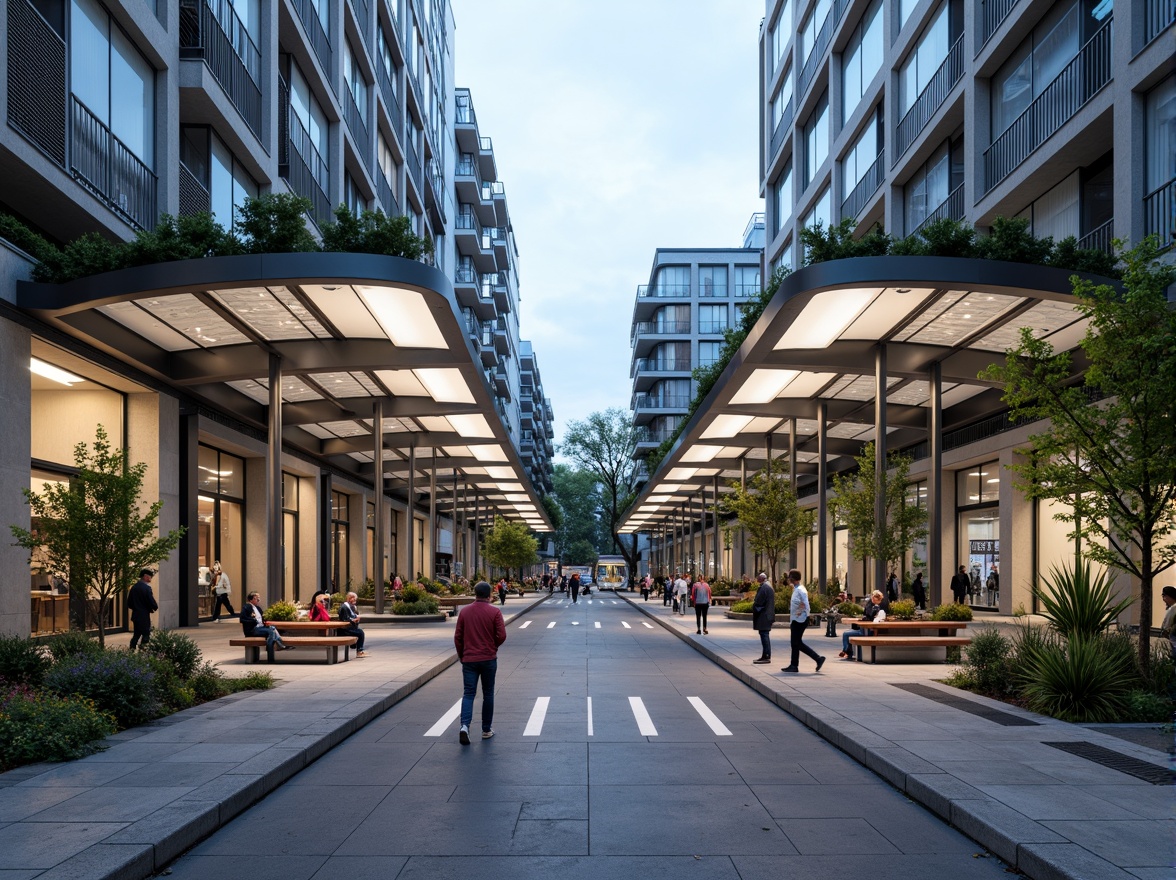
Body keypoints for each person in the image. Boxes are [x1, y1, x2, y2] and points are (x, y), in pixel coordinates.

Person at [454, 580, 507, 744]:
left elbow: (458, 637)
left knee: (469, 693)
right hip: (488, 658)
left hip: (469, 659)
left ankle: (464, 726)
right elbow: (502, 635)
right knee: (488, 693)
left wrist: (462, 654)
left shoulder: (464, 612)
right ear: (490, 595)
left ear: (475, 593)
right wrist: (493, 646)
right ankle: (486, 729)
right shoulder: (495, 612)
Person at [782, 568, 825, 674]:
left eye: (790, 577)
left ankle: (812, 660)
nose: (789, 580)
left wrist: (803, 615)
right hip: (796, 619)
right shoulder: (797, 589)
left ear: (793, 578)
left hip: (800, 620)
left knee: (796, 643)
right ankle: (796, 664)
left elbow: (806, 605)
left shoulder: (801, 590)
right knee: (796, 643)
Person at [840, 590, 887, 660]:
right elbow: (867, 613)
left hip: (868, 631)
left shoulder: (876, 606)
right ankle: (847, 652)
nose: (872, 599)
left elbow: (869, 615)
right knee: (848, 633)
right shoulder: (874, 604)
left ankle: (846, 651)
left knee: (846, 634)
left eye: (873, 598)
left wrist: (874, 609)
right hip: (871, 630)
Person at [127, 568, 158, 650]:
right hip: (144, 616)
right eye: (149, 577)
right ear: (145, 576)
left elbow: (129, 603)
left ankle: (132, 650)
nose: (150, 578)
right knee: (146, 634)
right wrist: (154, 607)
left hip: (136, 615)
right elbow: (151, 601)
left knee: (136, 634)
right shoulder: (146, 588)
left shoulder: (134, 588)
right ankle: (143, 650)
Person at [751, 573, 775, 664]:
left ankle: (766, 656)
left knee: (764, 634)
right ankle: (765, 655)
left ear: (762, 578)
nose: (757, 579)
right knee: (764, 634)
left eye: (758, 577)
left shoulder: (765, 588)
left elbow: (759, 601)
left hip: (764, 615)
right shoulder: (767, 586)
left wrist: (755, 607)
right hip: (766, 614)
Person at [337, 591, 367, 657]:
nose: (354, 600)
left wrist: (356, 619)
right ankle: (359, 651)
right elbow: (345, 619)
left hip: (350, 627)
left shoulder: (353, 607)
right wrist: (353, 620)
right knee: (360, 633)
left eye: (355, 599)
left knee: (359, 632)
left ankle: (359, 650)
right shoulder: (344, 607)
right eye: (353, 598)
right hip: (344, 629)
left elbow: (354, 616)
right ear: (349, 598)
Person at [1160, 586, 1176, 660]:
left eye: (1164, 596)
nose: (1163, 599)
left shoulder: (1173, 608)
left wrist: (1165, 632)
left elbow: (1167, 624)